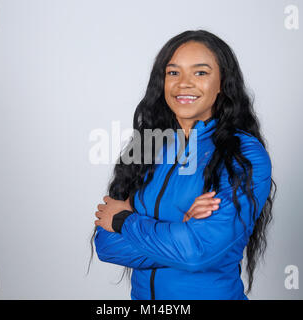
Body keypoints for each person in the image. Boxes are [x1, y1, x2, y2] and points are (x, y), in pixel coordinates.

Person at [88, 29, 276, 300]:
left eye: (200, 73)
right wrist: (181, 232)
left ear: (223, 82)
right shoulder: (146, 146)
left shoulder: (243, 154)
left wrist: (123, 220)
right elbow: (107, 246)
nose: (183, 83)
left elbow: (197, 253)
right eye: (173, 73)